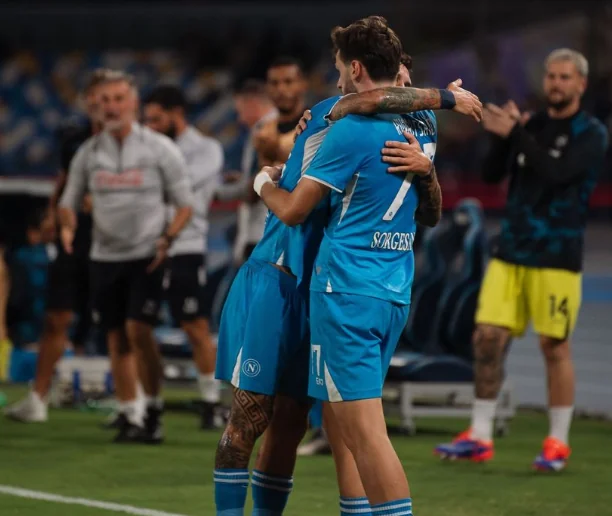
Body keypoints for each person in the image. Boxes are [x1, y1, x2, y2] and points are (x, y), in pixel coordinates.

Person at [215, 16, 481, 516]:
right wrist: (443, 105)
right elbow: (426, 209)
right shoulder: (394, 123)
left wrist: (262, 182)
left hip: (340, 289)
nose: (407, 91)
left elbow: (301, 203)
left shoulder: (359, 123)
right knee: (279, 421)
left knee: (341, 429)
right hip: (292, 277)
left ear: (357, 69)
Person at [434, 48, 608, 472]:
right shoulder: (531, 124)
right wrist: (501, 137)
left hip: (556, 257)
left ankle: (557, 442)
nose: (556, 83)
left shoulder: (591, 133)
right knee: (487, 338)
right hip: (511, 252)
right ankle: (479, 435)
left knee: (554, 346)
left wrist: (517, 133)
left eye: (565, 77)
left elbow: (558, 173)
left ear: (581, 84)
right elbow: (493, 175)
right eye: (551, 76)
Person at [58, 70, 193, 443]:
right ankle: (131, 411)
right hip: (104, 257)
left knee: (139, 329)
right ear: (95, 106)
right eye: (104, 100)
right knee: (115, 336)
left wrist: (168, 238)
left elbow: (185, 205)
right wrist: (67, 226)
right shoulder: (88, 153)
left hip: (147, 255)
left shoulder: (160, 149)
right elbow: (68, 202)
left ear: (133, 103)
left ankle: (153, 407)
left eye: (118, 99)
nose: (111, 107)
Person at [5, 69, 108, 423]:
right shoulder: (74, 140)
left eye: (110, 98)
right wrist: (53, 214)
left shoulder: (136, 143)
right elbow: (63, 182)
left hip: (117, 241)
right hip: (74, 238)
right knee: (56, 317)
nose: (103, 105)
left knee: (125, 324)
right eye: (96, 98)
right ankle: (38, 398)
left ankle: (138, 405)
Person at [143, 85, 225, 429]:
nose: (150, 126)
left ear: (177, 114)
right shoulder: (150, 146)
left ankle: (210, 402)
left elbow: (178, 188)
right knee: (139, 329)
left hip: (186, 247)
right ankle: (147, 406)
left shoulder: (206, 149)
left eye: (156, 119)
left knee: (195, 327)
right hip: (146, 247)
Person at [216, 80, 278, 264]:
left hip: (261, 231)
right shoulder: (275, 127)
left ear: (252, 103)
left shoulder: (264, 131)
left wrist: (219, 192)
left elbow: (256, 186)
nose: (240, 119)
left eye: (241, 111)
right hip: (269, 231)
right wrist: (243, 179)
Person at [253, 56, 309, 165]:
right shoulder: (262, 131)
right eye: (274, 83)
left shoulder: (318, 124)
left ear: (303, 84)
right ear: (267, 88)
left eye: (288, 82)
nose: (280, 89)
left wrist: (278, 152)